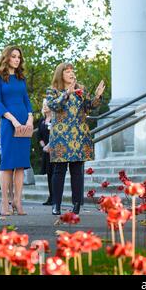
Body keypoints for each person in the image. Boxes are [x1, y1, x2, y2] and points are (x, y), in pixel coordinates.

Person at [46, 63, 105, 215]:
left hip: (79, 135)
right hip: (60, 136)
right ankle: (56, 205)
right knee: (59, 170)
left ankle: (77, 205)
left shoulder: (81, 89)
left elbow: (89, 107)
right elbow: (53, 106)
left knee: (77, 170)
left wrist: (97, 96)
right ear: (61, 74)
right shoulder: (52, 90)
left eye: (72, 71)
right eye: (67, 72)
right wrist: (66, 93)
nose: (71, 74)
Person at [0, 45, 33, 216]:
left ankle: (17, 201)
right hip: (9, 123)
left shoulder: (21, 78)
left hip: (24, 122)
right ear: (6, 58)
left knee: (21, 165)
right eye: (14, 56)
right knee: (7, 164)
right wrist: (14, 120)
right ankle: (4, 202)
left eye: (19, 57)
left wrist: (29, 118)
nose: (17, 59)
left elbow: (26, 100)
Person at [37, 99, 53, 205]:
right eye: (44, 105)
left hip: (54, 150)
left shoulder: (55, 119)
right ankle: (51, 197)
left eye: (47, 104)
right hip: (46, 151)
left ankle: (56, 197)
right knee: (49, 174)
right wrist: (43, 146)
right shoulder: (42, 120)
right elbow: (39, 136)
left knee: (55, 174)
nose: (45, 106)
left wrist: (49, 145)